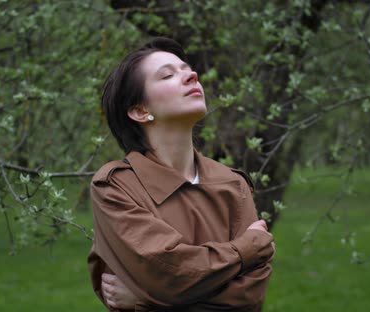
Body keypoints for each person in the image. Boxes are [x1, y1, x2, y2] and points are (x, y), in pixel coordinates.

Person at [87, 37, 275, 312]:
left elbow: (247, 300)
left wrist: (144, 303)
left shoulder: (234, 185)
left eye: (187, 69)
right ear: (141, 111)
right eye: (167, 75)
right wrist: (246, 250)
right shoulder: (116, 187)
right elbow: (169, 274)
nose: (192, 76)